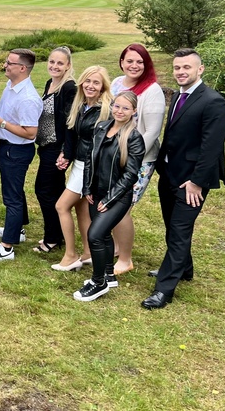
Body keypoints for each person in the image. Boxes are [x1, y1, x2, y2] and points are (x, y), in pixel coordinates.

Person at [142, 48, 225, 310]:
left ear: (200, 69)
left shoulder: (213, 102)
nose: (181, 72)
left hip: (191, 182)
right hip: (170, 173)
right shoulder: (179, 96)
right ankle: (184, 268)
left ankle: (164, 290)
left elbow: (212, 147)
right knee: (172, 226)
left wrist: (196, 182)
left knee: (179, 231)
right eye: (177, 67)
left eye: (187, 67)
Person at [75, 91, 146, 301]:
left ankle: (98, 283)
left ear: (134, 111)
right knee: (104, 235)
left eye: (125, 108)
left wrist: (109, 200)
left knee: (95, 235)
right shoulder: (101, 127)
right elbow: (90, 159)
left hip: (117, 197)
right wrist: (87, 188)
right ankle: (108, 274)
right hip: (95, 193)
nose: (120, 111)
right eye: (117, 106)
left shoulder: (134, 138)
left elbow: (130, 175)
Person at [0, 49, 43, 263]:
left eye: (9, 63)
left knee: (12, 197)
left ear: (22, 68)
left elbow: (30, 132)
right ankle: (18, 230)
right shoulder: (11, 85)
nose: (5, 65)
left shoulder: (28, 98)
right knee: (14, 190)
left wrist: (2, 123)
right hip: (6, 147)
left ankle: (6, 248)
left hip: (15, 151)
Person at [109, 43, 166, 275]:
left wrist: (129, 157)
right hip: (113, 155)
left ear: (146, 64)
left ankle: (126, 259)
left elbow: (152, 132)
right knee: (111, 203)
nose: (134, 65)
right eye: (129, 60)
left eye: (140, 61)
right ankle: (115, 247)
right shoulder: (116, 83)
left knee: (122, 207)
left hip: (138, 160)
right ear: (122, 62)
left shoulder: (152, 91)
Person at [52, 66, 113, 271]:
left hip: (90, 167)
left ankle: (70, 255)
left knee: (61, 206)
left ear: (103, 86)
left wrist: (91, 169)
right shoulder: (80, 105)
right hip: (78, 163)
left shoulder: (106, 110)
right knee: (81, 209)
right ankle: (88, 253)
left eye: (96, 82)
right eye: (87, 81)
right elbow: (71, 133)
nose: (90, 86)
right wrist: (66, 155)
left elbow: (104, 144)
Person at [31, 47, 76, 254]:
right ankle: (58, 233)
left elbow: (71, 122)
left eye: (60, 63)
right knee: (55, 191)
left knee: (44, 190)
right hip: (46, 146)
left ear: (68, 65)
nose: (54, 66)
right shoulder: (51, 83)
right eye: (52, 62)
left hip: (57, 149)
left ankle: (52, 238)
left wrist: (66, 152)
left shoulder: (69, 87)